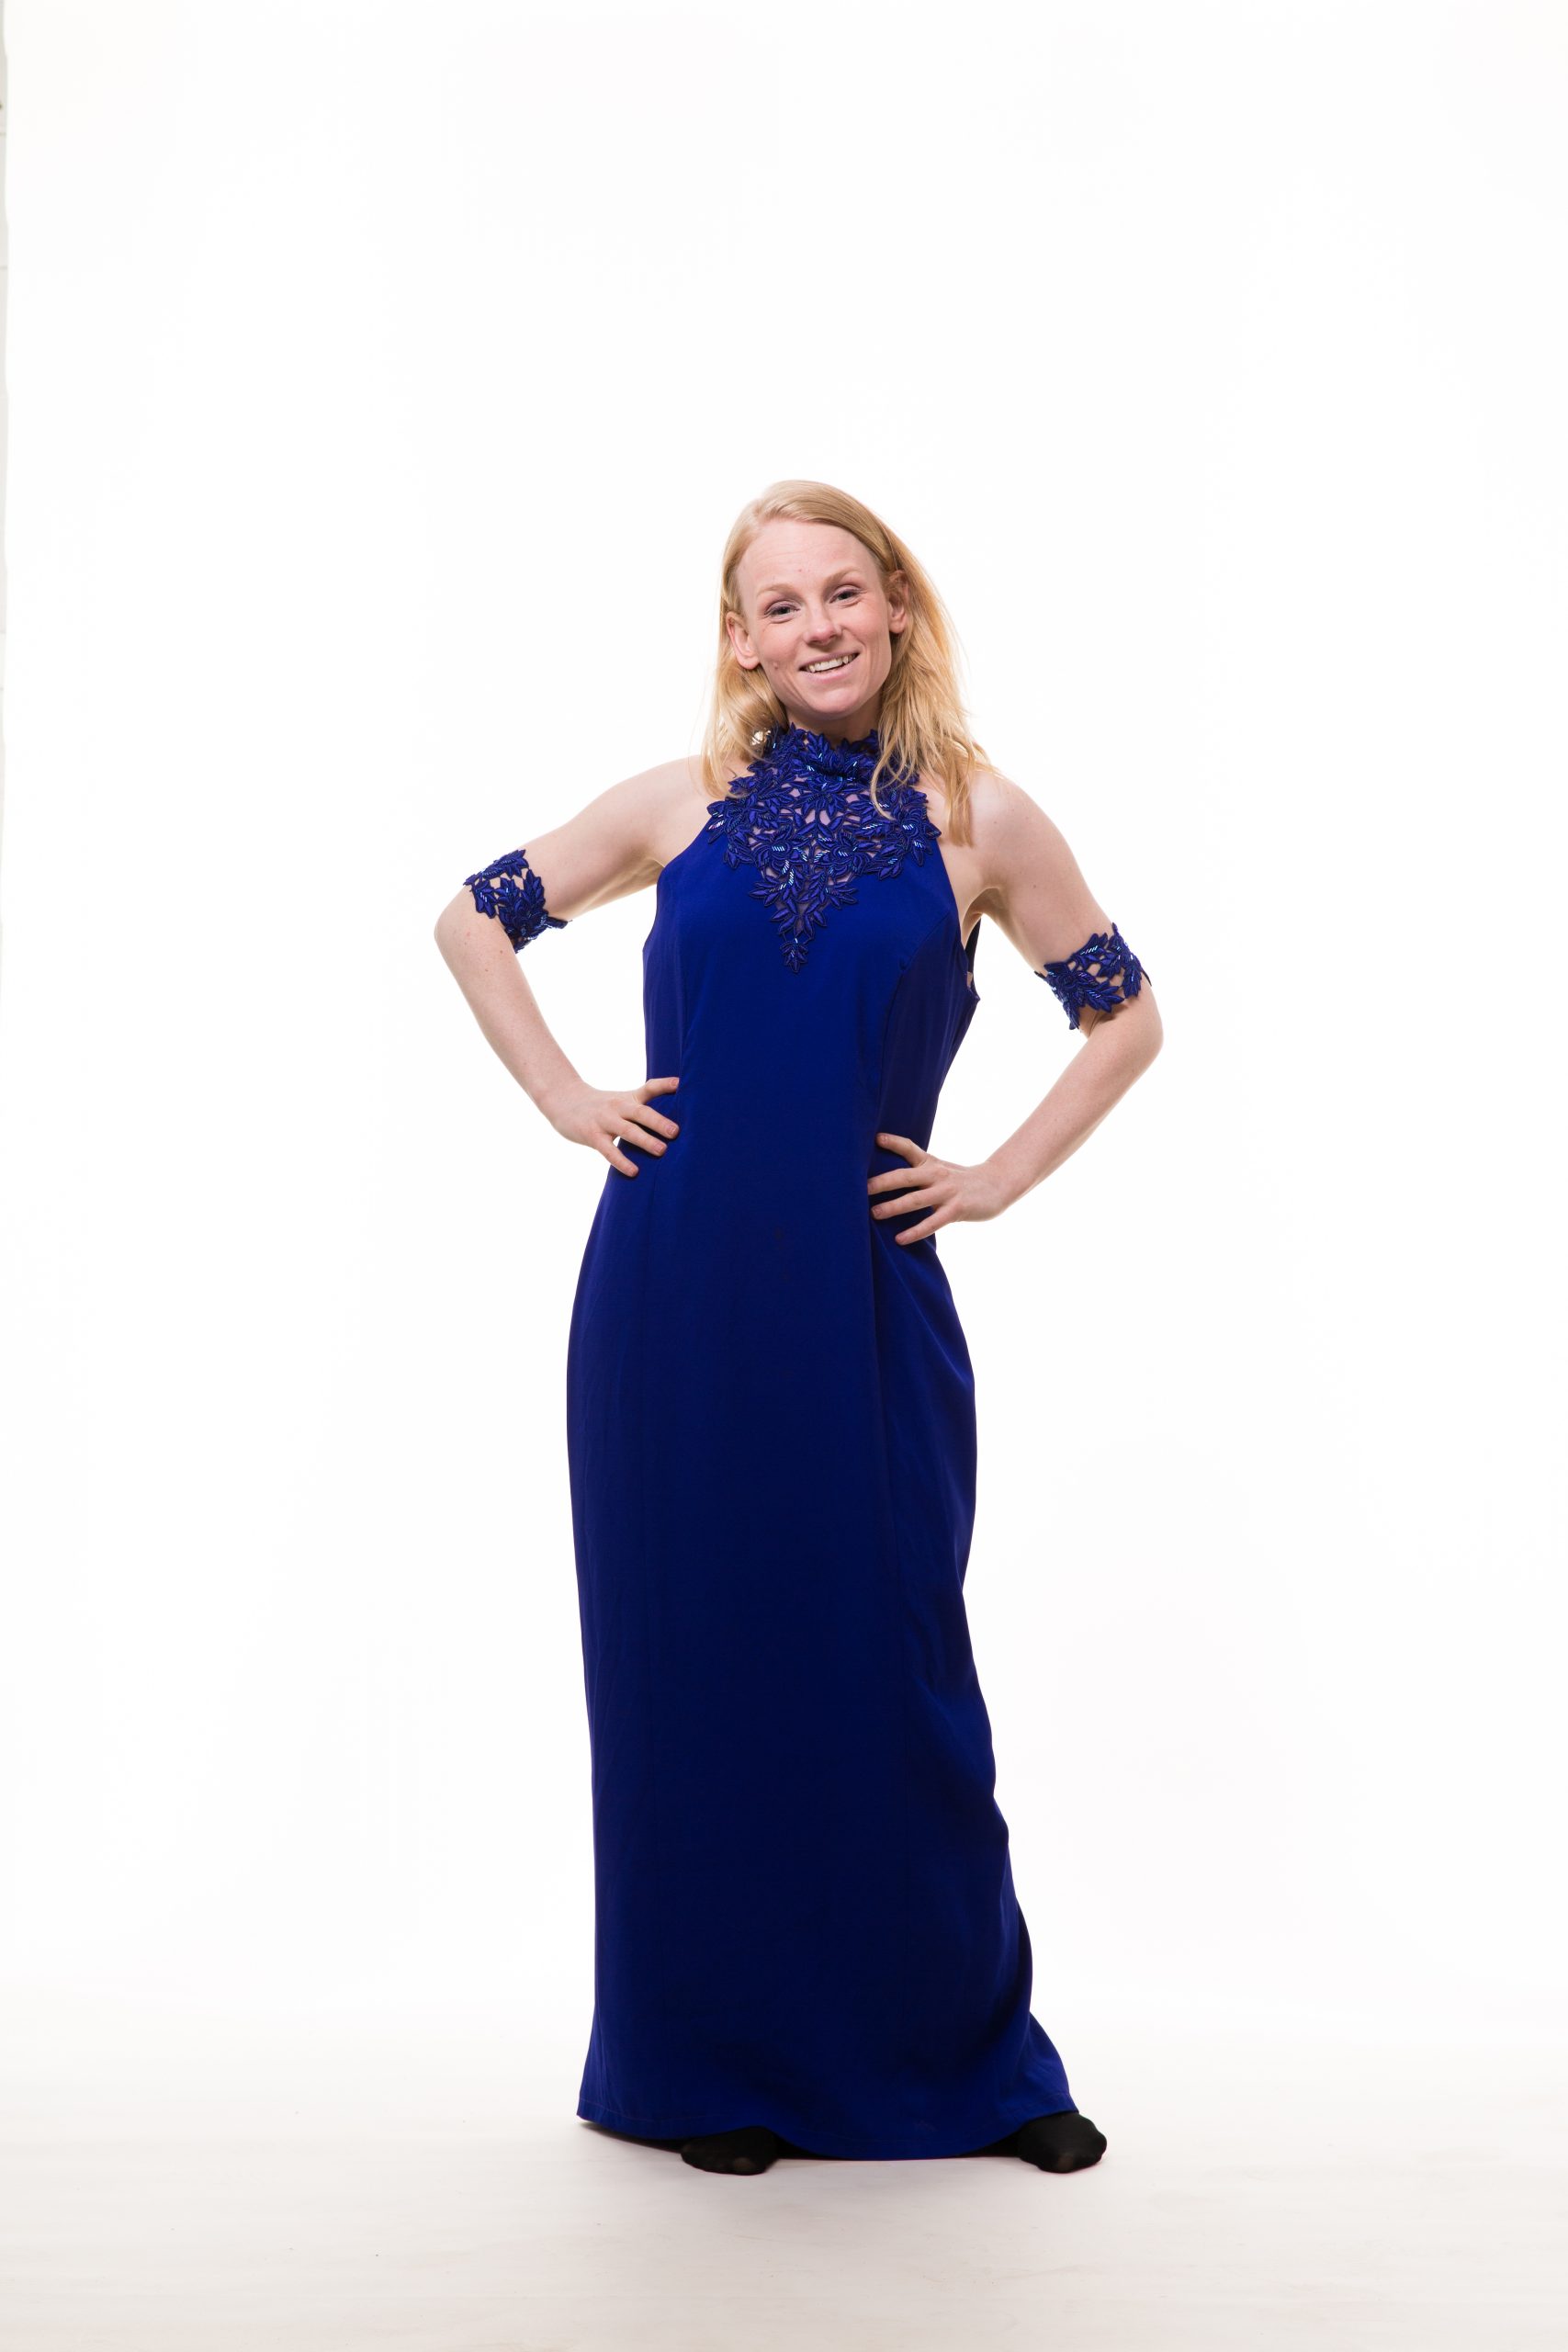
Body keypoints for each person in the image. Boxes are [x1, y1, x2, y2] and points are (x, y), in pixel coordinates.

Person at [434, 480, 1162, 2177]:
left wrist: (996, 1178)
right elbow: (471, 919)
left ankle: (973, 2062)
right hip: (672, 1294)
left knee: (891, 1661)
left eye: (845, 591)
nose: (818, 625)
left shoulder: (982, 820)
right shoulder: (675, 805)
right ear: (740, 639)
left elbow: (1126, 1019)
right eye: (782, 604)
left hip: (864, 1293)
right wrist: (564, 1096)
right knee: (698, 1668)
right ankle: (716, 2065)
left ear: (897, 605)